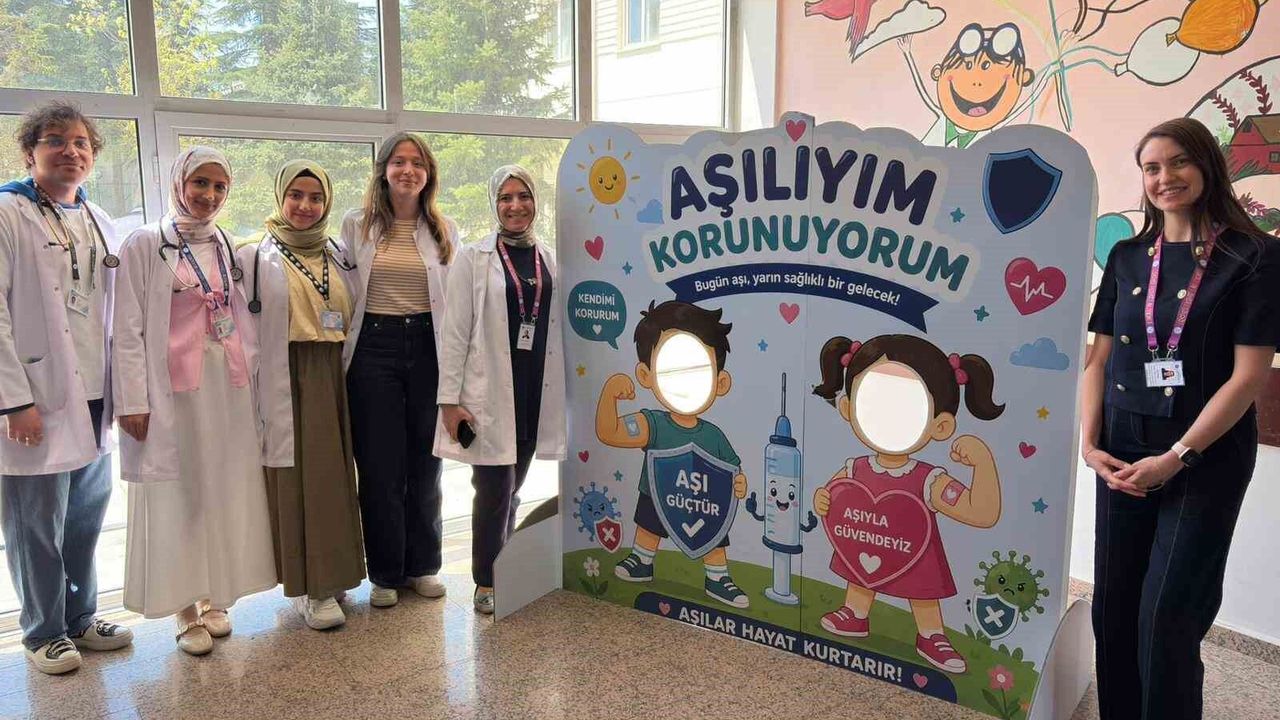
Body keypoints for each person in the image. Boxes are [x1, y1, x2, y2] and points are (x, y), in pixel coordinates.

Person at [1082, 117, 1280, 720]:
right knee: (1113, 608)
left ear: (1206, 166)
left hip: (1202, 456)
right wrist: (1088, 445)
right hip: (1120, 446)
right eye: (1152, 167)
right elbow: (1098, 360)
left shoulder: (1255, 257)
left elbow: (1247, 377)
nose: (1164, 177)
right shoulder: (1126, 257)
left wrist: (1176, 458)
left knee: (1167, 617)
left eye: (1178, 162)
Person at [113, 147, 276, 656]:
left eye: (219, 186)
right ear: (178, 183)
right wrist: (132, 400)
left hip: (225, 386)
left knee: (218, 488)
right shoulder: (146, 243)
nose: (209, 195)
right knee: (179, 494)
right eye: (200, 183)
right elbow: (127, 326)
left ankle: (213, 595)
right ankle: (183, 609)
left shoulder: (224, 243)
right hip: (172, 394)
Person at [0, 101, 133, 674]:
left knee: (84, 516)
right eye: (55, 140)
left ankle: (80, 617)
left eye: (81, 142)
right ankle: (42, 632)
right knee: (35, 524)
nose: (70, 151)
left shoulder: (98, 218)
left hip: (93, 394)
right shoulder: (8, 213)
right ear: (30, 151)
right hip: (35, 395)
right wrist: (14, 401)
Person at [811, 334, 1004, 674]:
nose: (887, 417)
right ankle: (855, 613)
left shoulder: (929, 479)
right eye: (874, 401)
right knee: (860, 567)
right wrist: (822, 498)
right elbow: (834, 493)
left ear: (940, 425)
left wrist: (983, 463)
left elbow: (981, 512)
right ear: (848, 408)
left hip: (914, 555)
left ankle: (931, 635)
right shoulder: (856, 468)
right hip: (867, 542)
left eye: (905, 408)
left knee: (922, 589)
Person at [239, 160, 364, 630]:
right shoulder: (254, 255)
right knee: (302, 479)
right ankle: (311, 587)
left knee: (335, 479)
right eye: (296, 195)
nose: (305, 206)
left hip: (334, 373)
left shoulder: (338, 252)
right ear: (280, 197)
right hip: (287, 375)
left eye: (315, 197)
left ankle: (336, 575)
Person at [437, 165, 565, 614]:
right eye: (505, 198)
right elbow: (454, 333)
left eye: (523, 196)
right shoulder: (473, 259)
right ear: (495, 204)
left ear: (535, 202)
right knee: (492, 488)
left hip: (533, 389)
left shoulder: (550, 258)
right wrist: (449, 402)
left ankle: (505, 564)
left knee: (514, 486)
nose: (515, 206)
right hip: (488, 392)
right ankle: (486, 580)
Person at [340, 133, 457, 608]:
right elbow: (344, 288)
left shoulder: (444, 228)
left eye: (418, 163)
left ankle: (422, 566)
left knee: (426, 462)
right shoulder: (357, 224)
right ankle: (386, 572)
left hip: (428, 345)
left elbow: (455, 301)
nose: (408, 170)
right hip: (374, 347)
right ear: (384, 170)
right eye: (399, 162)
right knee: (379, 465)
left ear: (428, 174)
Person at [597, 300, 751, 609]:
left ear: (720, 382)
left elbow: (733, 469)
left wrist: (739, 483)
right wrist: (610, 394)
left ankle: (718, 577)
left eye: (698, 370)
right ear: (646, 375)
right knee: (649, 521)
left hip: (705, 502)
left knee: (715, 531)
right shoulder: (652, 423)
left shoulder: (713, 435)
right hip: (658, 495)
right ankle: (642, 559)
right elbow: (610, 432)